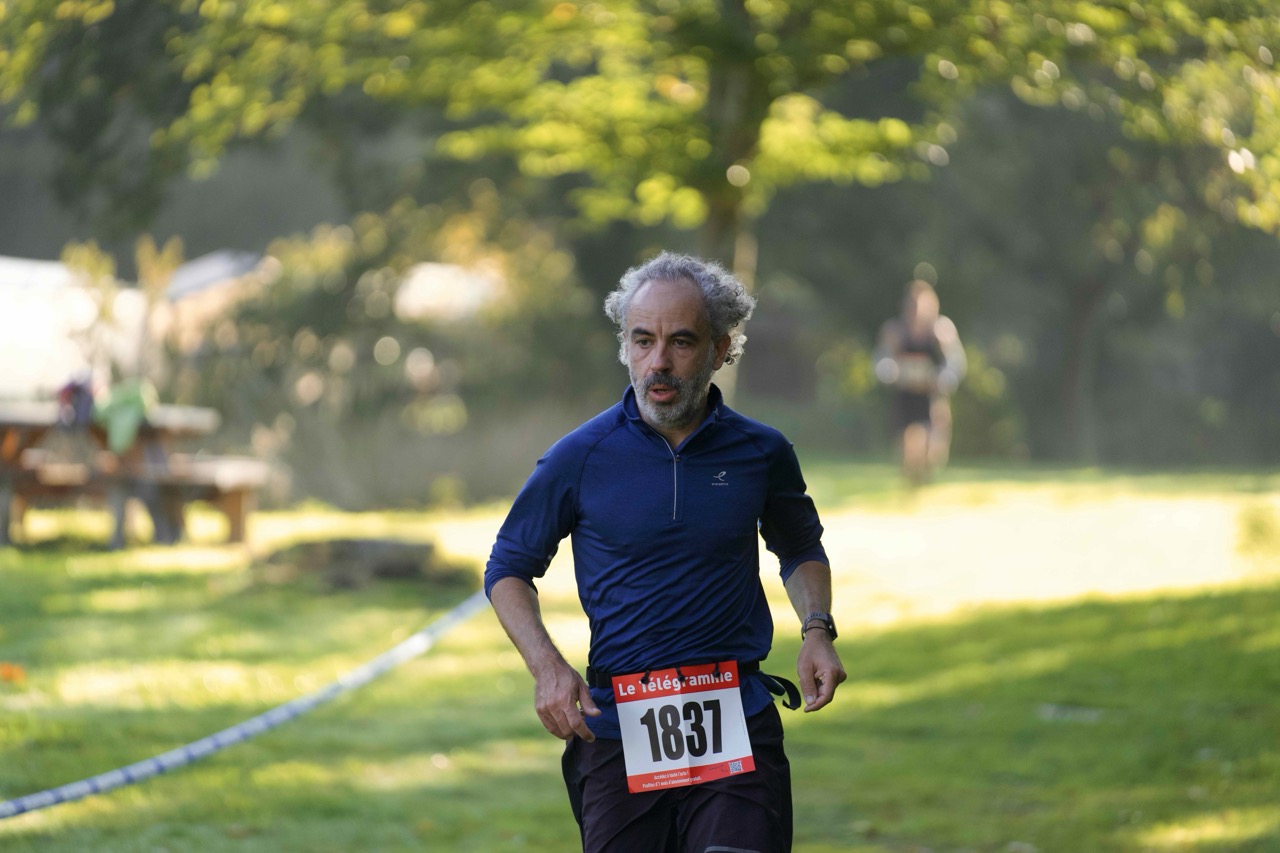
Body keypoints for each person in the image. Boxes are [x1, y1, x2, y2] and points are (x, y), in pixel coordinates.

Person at [485, 252, 846, 852]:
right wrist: (546, 666)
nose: (659, 361)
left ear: (720, 348)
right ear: (625, 346)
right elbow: (508, 568)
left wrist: (817, 628)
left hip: (735, 713)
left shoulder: (761, 452)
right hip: (618, 723)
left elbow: (800, 545)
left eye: (681, 341)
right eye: (642, 340)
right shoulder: (580, 456)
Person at [873, 279, 966, 485]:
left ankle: (926, 476)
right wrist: (894, 373)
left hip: (932, 398)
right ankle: (911, 482)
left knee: (933, 453)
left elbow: (956, 364)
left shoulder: (941, 332)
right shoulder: (895, 332)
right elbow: (881, 362)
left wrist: (940, 379)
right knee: (909, 449)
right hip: (905, 397)